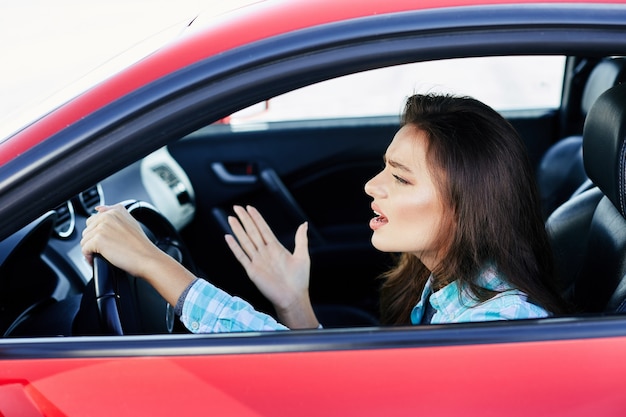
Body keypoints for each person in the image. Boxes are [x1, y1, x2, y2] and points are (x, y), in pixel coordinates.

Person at [80, 93, 567, 333]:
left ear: (466, 208)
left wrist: (153, 264)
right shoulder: (449, 288)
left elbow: (343, 399)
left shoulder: (497, 325)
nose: (371, 186)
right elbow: (360, 393)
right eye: (384, 168)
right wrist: (294, 304)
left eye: (400, 177)